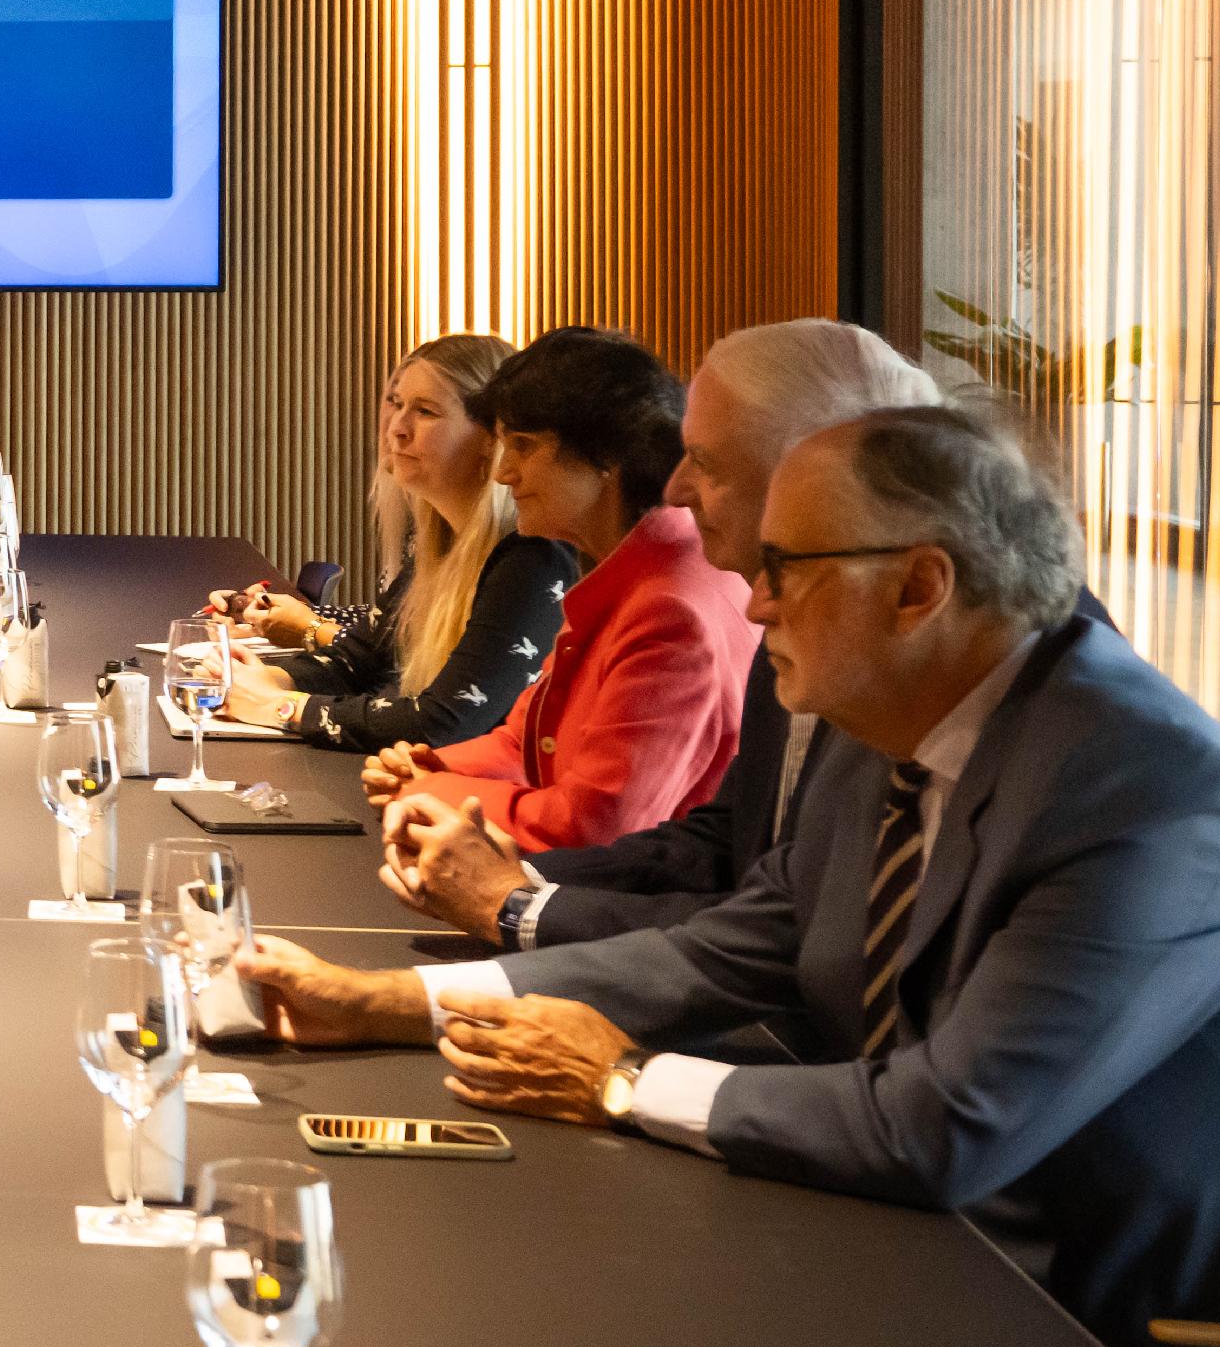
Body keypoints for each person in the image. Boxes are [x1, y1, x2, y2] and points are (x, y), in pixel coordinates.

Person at [236, 408, 1220, 1347]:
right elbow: (741, 944)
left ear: (917, 588)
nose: (751, 603)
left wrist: (622, 1081)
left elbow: (942, 1129)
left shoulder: (1143, 794)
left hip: (1127, 1336)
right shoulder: (889, 718)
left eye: (783, 571)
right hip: (911, 1253)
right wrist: (391, 1003)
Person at [382, 319, 951, 950]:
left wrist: (458, 823)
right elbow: (726, 852)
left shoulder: (679, 600)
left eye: (704, 461)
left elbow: (616, 830)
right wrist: (503, 877)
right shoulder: (746, 598)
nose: (675, 485)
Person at [351, 326, 755, 854]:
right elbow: (527, 739)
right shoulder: (623, 566)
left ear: (606, 458)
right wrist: (436, 765)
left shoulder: (668, 611)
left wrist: (435, 790)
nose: (504, 473)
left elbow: (594, 825)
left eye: (523, 447)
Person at [208, 333, 575, 752]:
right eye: (397, 404)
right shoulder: (432, 543)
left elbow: (442, 722)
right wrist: (258, 678)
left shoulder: (532, 558)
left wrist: (281, 708)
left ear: (491, 437)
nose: (396, 429)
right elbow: (357, 661)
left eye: (426, 411)